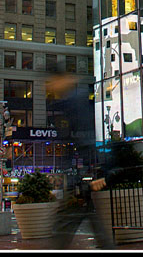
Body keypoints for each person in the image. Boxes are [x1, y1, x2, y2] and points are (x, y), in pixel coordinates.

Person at [46, 71, 117, 250]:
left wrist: (88, 172)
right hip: (83, 176)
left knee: (64, 225)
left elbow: (84, 138)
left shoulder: (74, 103)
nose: (47, 86)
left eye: (51, 81)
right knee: (92, 223)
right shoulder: (71, 102)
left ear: (62, 80)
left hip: (81, 178)